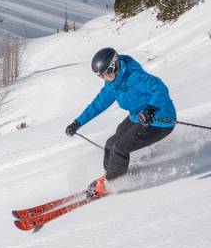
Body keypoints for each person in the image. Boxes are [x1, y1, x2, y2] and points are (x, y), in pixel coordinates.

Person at [65, 47, 176, 198]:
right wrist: (77, 123)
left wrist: (151, 109)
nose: (105, 78)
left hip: (160, 120)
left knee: (120, 148)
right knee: (111, 143)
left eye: (107, 73)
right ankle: (111, 174)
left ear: (114, 66)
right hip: (138, 117)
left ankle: (112, 183)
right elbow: (98, 104)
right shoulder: (112, 84)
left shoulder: (134, 76)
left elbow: (159, 88)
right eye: (101, 76)